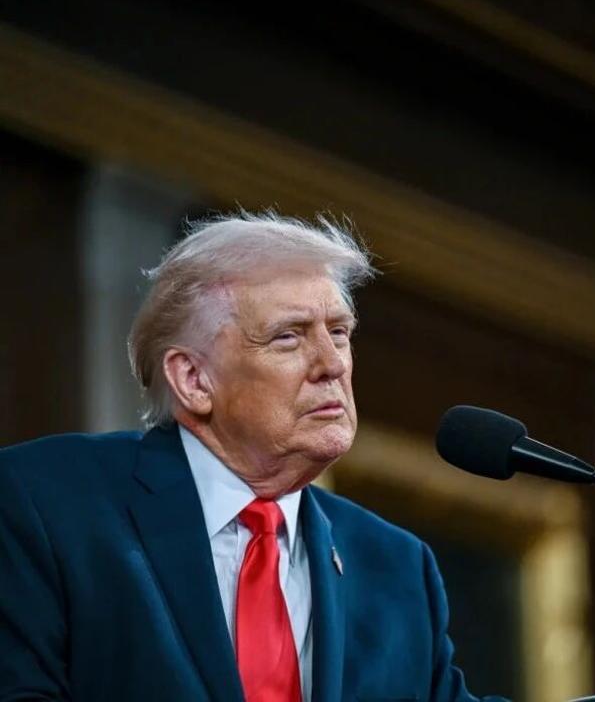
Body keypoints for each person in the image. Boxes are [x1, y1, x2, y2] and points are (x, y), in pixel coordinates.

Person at [0, 211, 507, 702]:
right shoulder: (47, 503)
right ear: (194, 380)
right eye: (288, 337)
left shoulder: (395, 567)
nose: (332, 364)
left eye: (338, 332)